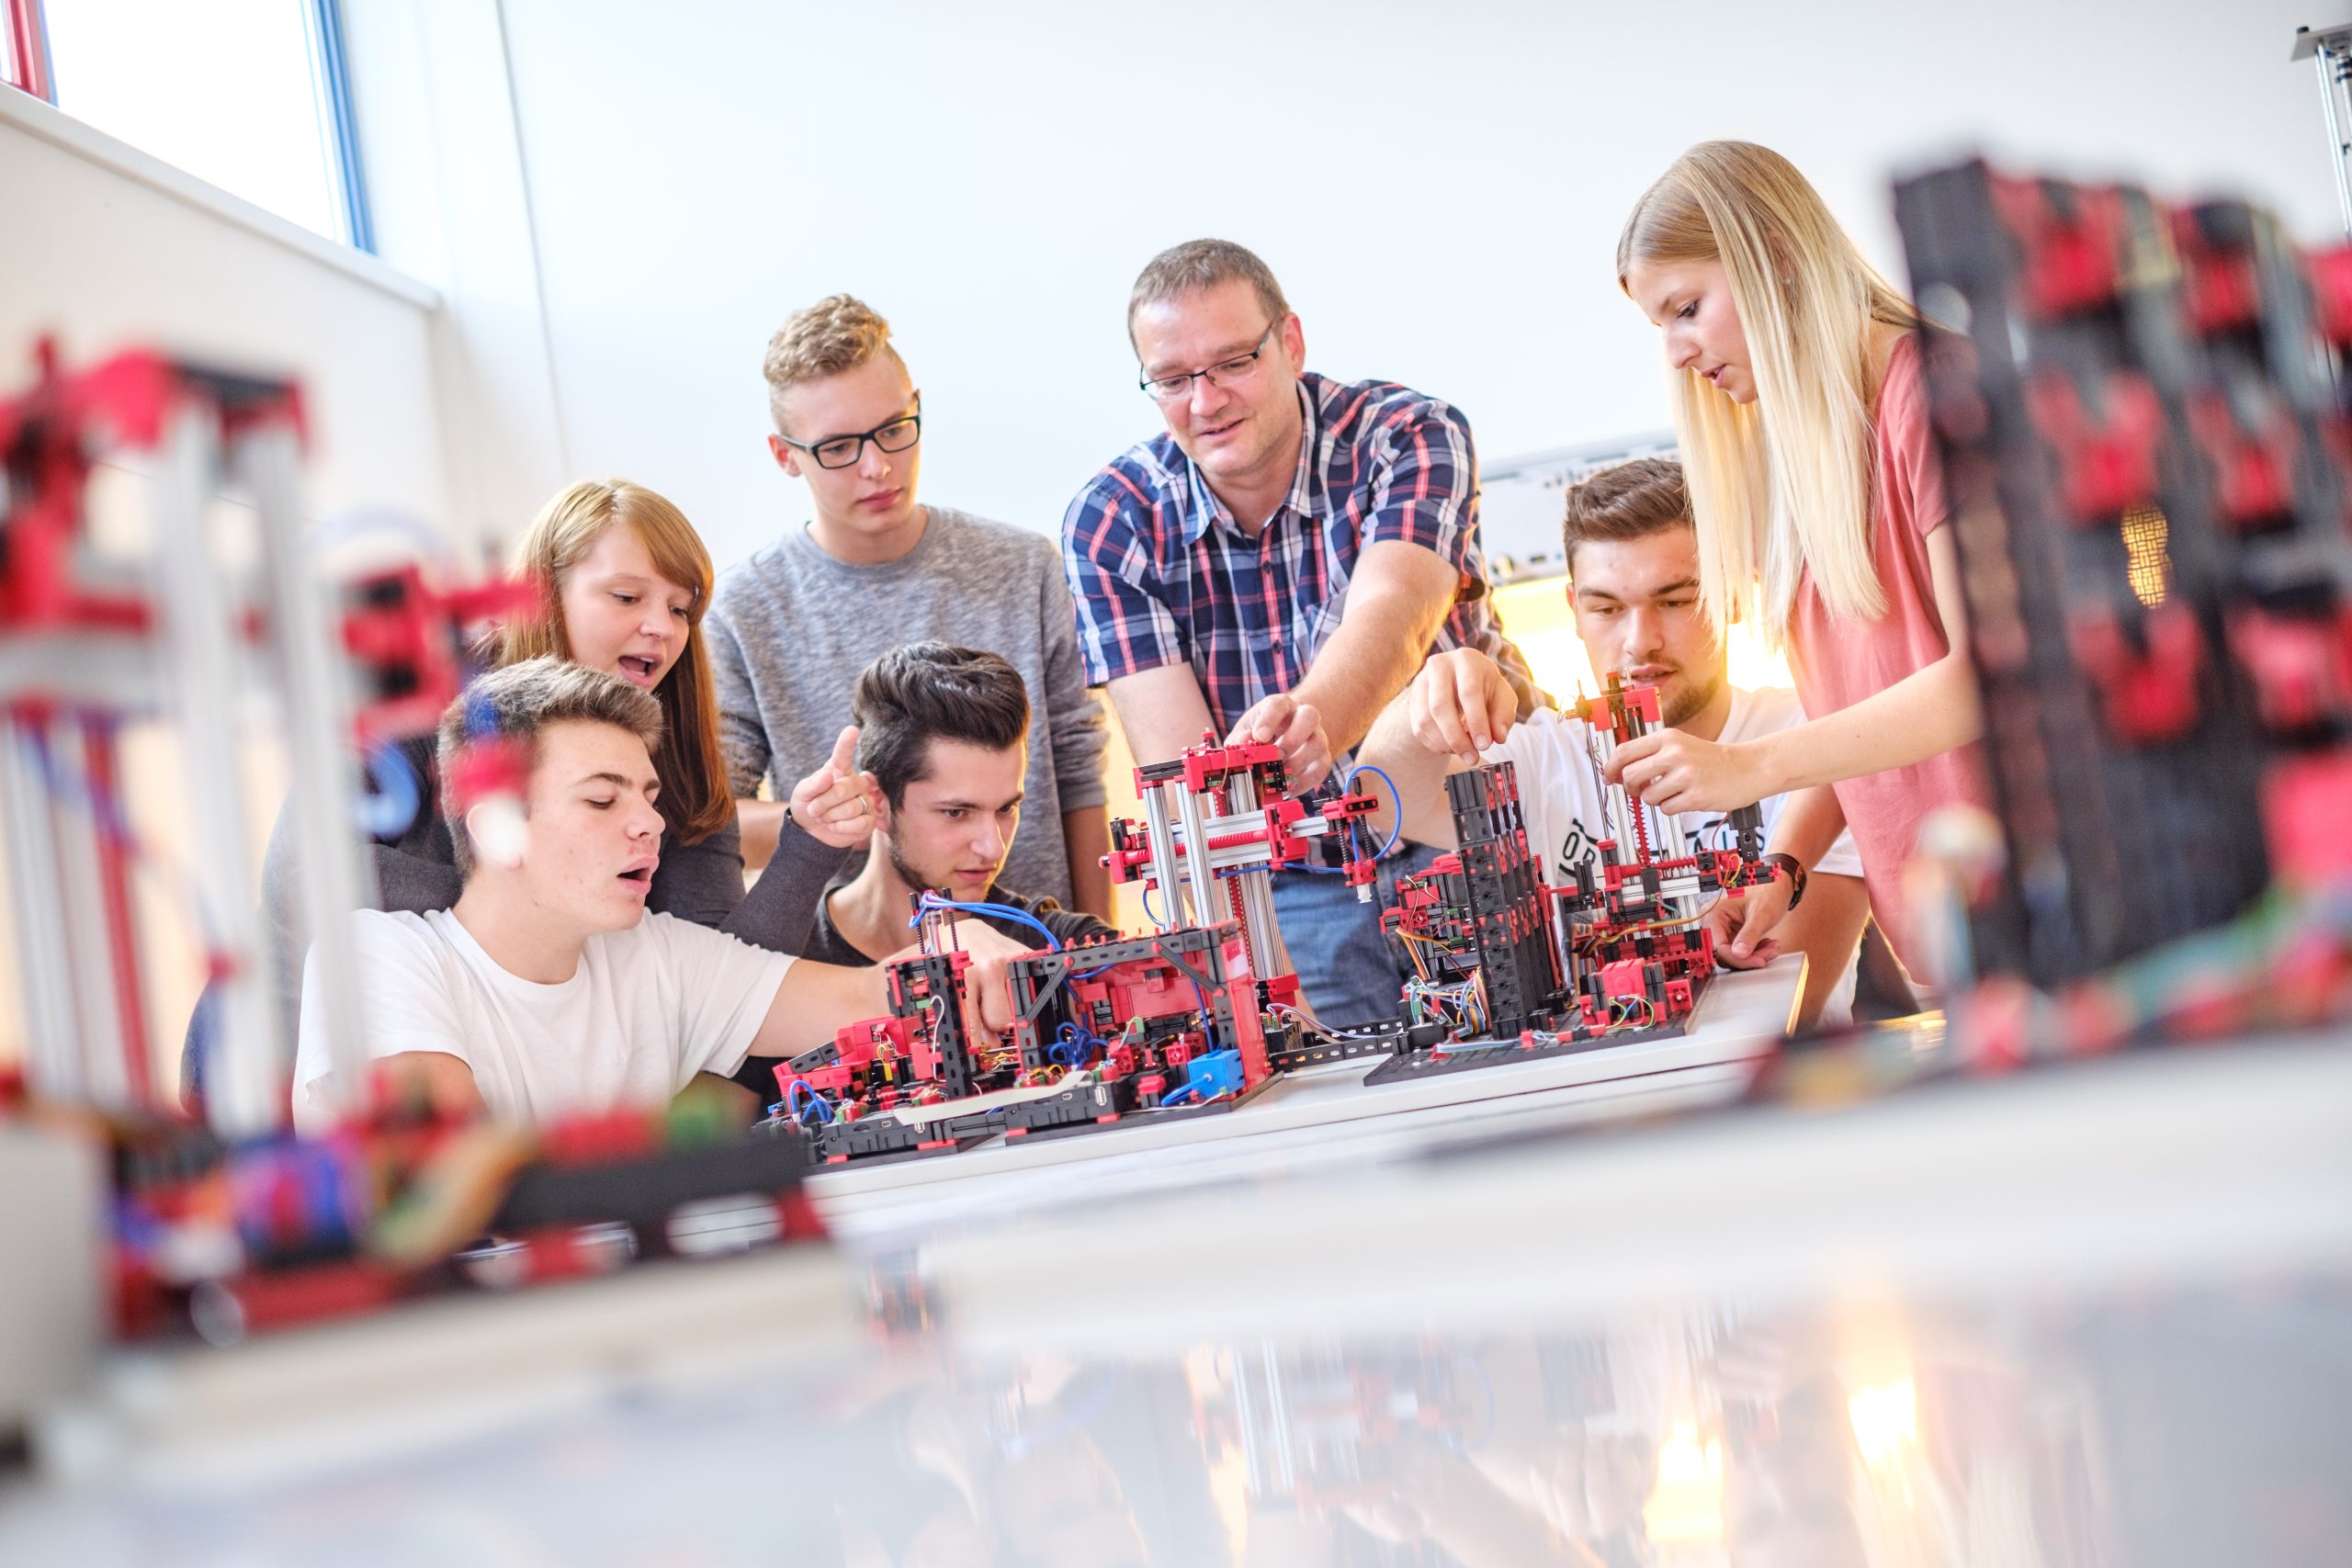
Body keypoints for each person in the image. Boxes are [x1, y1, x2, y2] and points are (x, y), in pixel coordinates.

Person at [235, 479, 871, 1107]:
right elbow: (303, 877)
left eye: (682, 608)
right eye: (627, 596)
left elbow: (718, 981)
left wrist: (806, 850)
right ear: (544, 595)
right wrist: (536, 907)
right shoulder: (413, 706)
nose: (662, 626)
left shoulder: (672, 773)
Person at [1063, 238, 1538, 1025]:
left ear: (1290, 343)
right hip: (1290, 888)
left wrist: (1310, 723)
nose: (1207, 401)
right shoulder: (1112, 521)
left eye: (1232, 363)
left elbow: (1398, 611)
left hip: (1468, 845)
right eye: (1174, 380)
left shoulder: (1407, 434)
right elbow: (1186, 783)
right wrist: (1268, 999)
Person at [292, 659, 1025, 1129]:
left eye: (647, 796)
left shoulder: (653, 957)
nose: (649, 823)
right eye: (603, 801)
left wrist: (956, 944)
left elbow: (870, 999)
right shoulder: (374, 957)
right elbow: (468, 1178)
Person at [1606, 141, 1992, 976]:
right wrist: (1779, 868)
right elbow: (1855, 710)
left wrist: (1746, 767)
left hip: (2044, 912)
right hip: (1959, 943)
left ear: (1775, 257)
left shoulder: (1934, 395)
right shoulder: (1804, 454)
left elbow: (1979, 678)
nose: (1675, 352)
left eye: (1686, 307)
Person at [1358, 457, 1871, 1029]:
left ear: (1728, 596)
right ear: (1574, 611)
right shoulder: (1541, 756)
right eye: (1606, 609)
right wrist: (1425, 697)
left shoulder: (1818, 735)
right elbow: (1380, 797)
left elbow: (1782, 1003)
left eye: (1675, 602)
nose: (1639, 643)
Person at [707, 294, 1112, 917]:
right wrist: (822, 815)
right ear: (784, 454)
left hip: (1035, 952)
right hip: (853, 977)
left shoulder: (1026, 568)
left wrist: (1097, 949)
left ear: (916, 407)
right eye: (838, 447)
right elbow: (713, 816)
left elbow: (1081, 776)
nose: (878, 467)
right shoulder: (744, 610)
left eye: (894, 429)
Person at [724, 643, 1113, 1098]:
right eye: (956, 813)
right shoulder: (791, 968)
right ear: (879, 802)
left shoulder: (1054, 942)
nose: (993, 844)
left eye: (1006, 808)